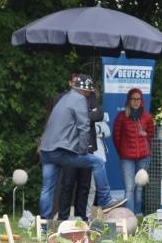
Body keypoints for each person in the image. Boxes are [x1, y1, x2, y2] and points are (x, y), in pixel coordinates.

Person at [38, 75, 125, 219]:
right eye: (89, 92)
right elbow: (84, 127)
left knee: (47, 188)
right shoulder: (79, 99)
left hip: (46, 150)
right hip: (61, 150)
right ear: (84, 90)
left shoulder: (63, 98)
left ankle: (43, 224)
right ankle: (106, 200)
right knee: (97, 162)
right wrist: (83, 151)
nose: (89, 94)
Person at [57, 73, 104, 220]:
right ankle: (62, 219)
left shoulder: (91, 97)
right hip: (69, 148)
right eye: (86, 90)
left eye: (90, 90)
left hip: (87, 149)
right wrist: (88, 113)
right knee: (67, 184)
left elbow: (99, 115)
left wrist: (82, 115)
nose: (88, 93)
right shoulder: (66, 98)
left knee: (84, 186)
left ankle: (81, 218)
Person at [112, 87, 154, 215]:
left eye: (138, 99)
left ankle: (138, 215)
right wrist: (123, 152)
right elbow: (116, 137)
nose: (136, 102)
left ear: (142, 101)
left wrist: (145, 135)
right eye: (133, 99)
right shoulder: (121, 117)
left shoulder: (147, 117)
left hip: (143, 157)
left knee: (139, 188)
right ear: (129, 100)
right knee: (129, 188)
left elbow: (150, 135)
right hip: (127, 158)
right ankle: (130, 217)